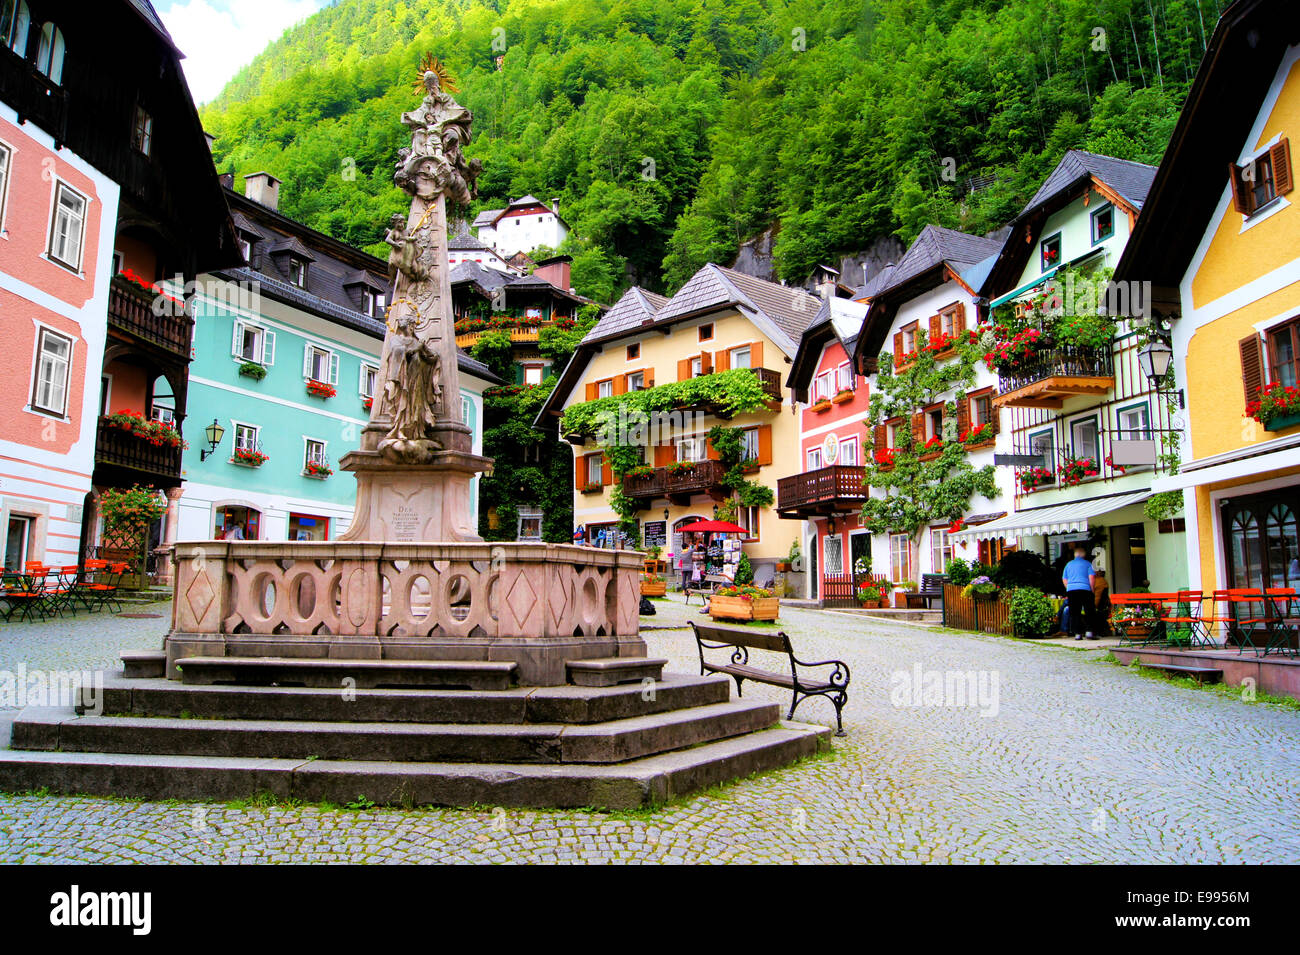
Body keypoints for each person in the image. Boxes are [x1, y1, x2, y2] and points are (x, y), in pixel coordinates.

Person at [1062, 545, 1097, 640]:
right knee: (1089, 610)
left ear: (1075, 555)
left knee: (1074, 612)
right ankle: (1089, 632)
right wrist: (1092, 590)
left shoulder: (1068, 565)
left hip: (1072, 590)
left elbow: (1064, 579)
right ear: (1084, 554)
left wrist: (1069, 587)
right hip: (1085, 589)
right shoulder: (1088, 564)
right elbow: (1092, 578)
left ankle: (1077, 633)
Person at [1092, 569, 1111, 636]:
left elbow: (1097, 597)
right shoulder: (1103, 581)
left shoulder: (1098, 582)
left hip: (1098, 606)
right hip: (1103, 606)